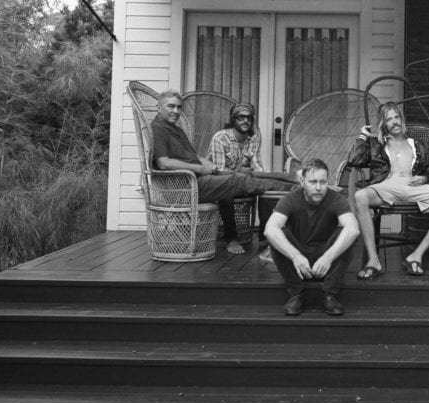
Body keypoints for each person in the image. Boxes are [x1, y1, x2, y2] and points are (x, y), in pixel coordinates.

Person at [151, 90, 296, 255]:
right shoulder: (158, 129)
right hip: (185, 185)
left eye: (179, 107)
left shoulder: (175, 130)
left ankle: (295, 180)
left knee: (250, 176)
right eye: (171, 106)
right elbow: (164, 163)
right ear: (159, 107)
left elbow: (194, 157)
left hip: (198, 179)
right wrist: (201, 168)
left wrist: (209, 165)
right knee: (239, 180)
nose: (176, 111)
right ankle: (295, 190)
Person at [348, 103, 429, 278]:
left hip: (413, 186)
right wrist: (363, 135)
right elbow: (354, 160)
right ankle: (373, 260)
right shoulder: (376, 144)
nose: (394, 122)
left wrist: (424, 178)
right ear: (383, 124)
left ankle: (416, 255)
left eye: (396, 117)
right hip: (386, 186)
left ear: (401, 119)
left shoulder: (416, 144)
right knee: (360, 196)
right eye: (389, 119)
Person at [264, 158, 359, 316]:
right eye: (313, 182)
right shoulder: (290, 199)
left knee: (349, 233)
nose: (318, 187)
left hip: (325, 253)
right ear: (302, 181)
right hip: (299, 253)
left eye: (323, 182)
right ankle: (296, 293)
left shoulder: (336, 198)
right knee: (277, 234)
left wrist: (328, 257)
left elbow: (353, 229)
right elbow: (270, 230)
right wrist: (295, 256)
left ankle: (329, 293)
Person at [207, 102, 298, 259]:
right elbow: (219, 172)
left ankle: (264, 234)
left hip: (244, 181)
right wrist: (240, 171)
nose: (245, 121)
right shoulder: (220, 138)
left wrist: (256, 174)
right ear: (233, 119)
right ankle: (231, 239)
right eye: (241, 117)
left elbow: (257, 168)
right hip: (218, 184)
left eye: (249, 118)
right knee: (226, 195)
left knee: (265, 188)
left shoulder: (253, 138)